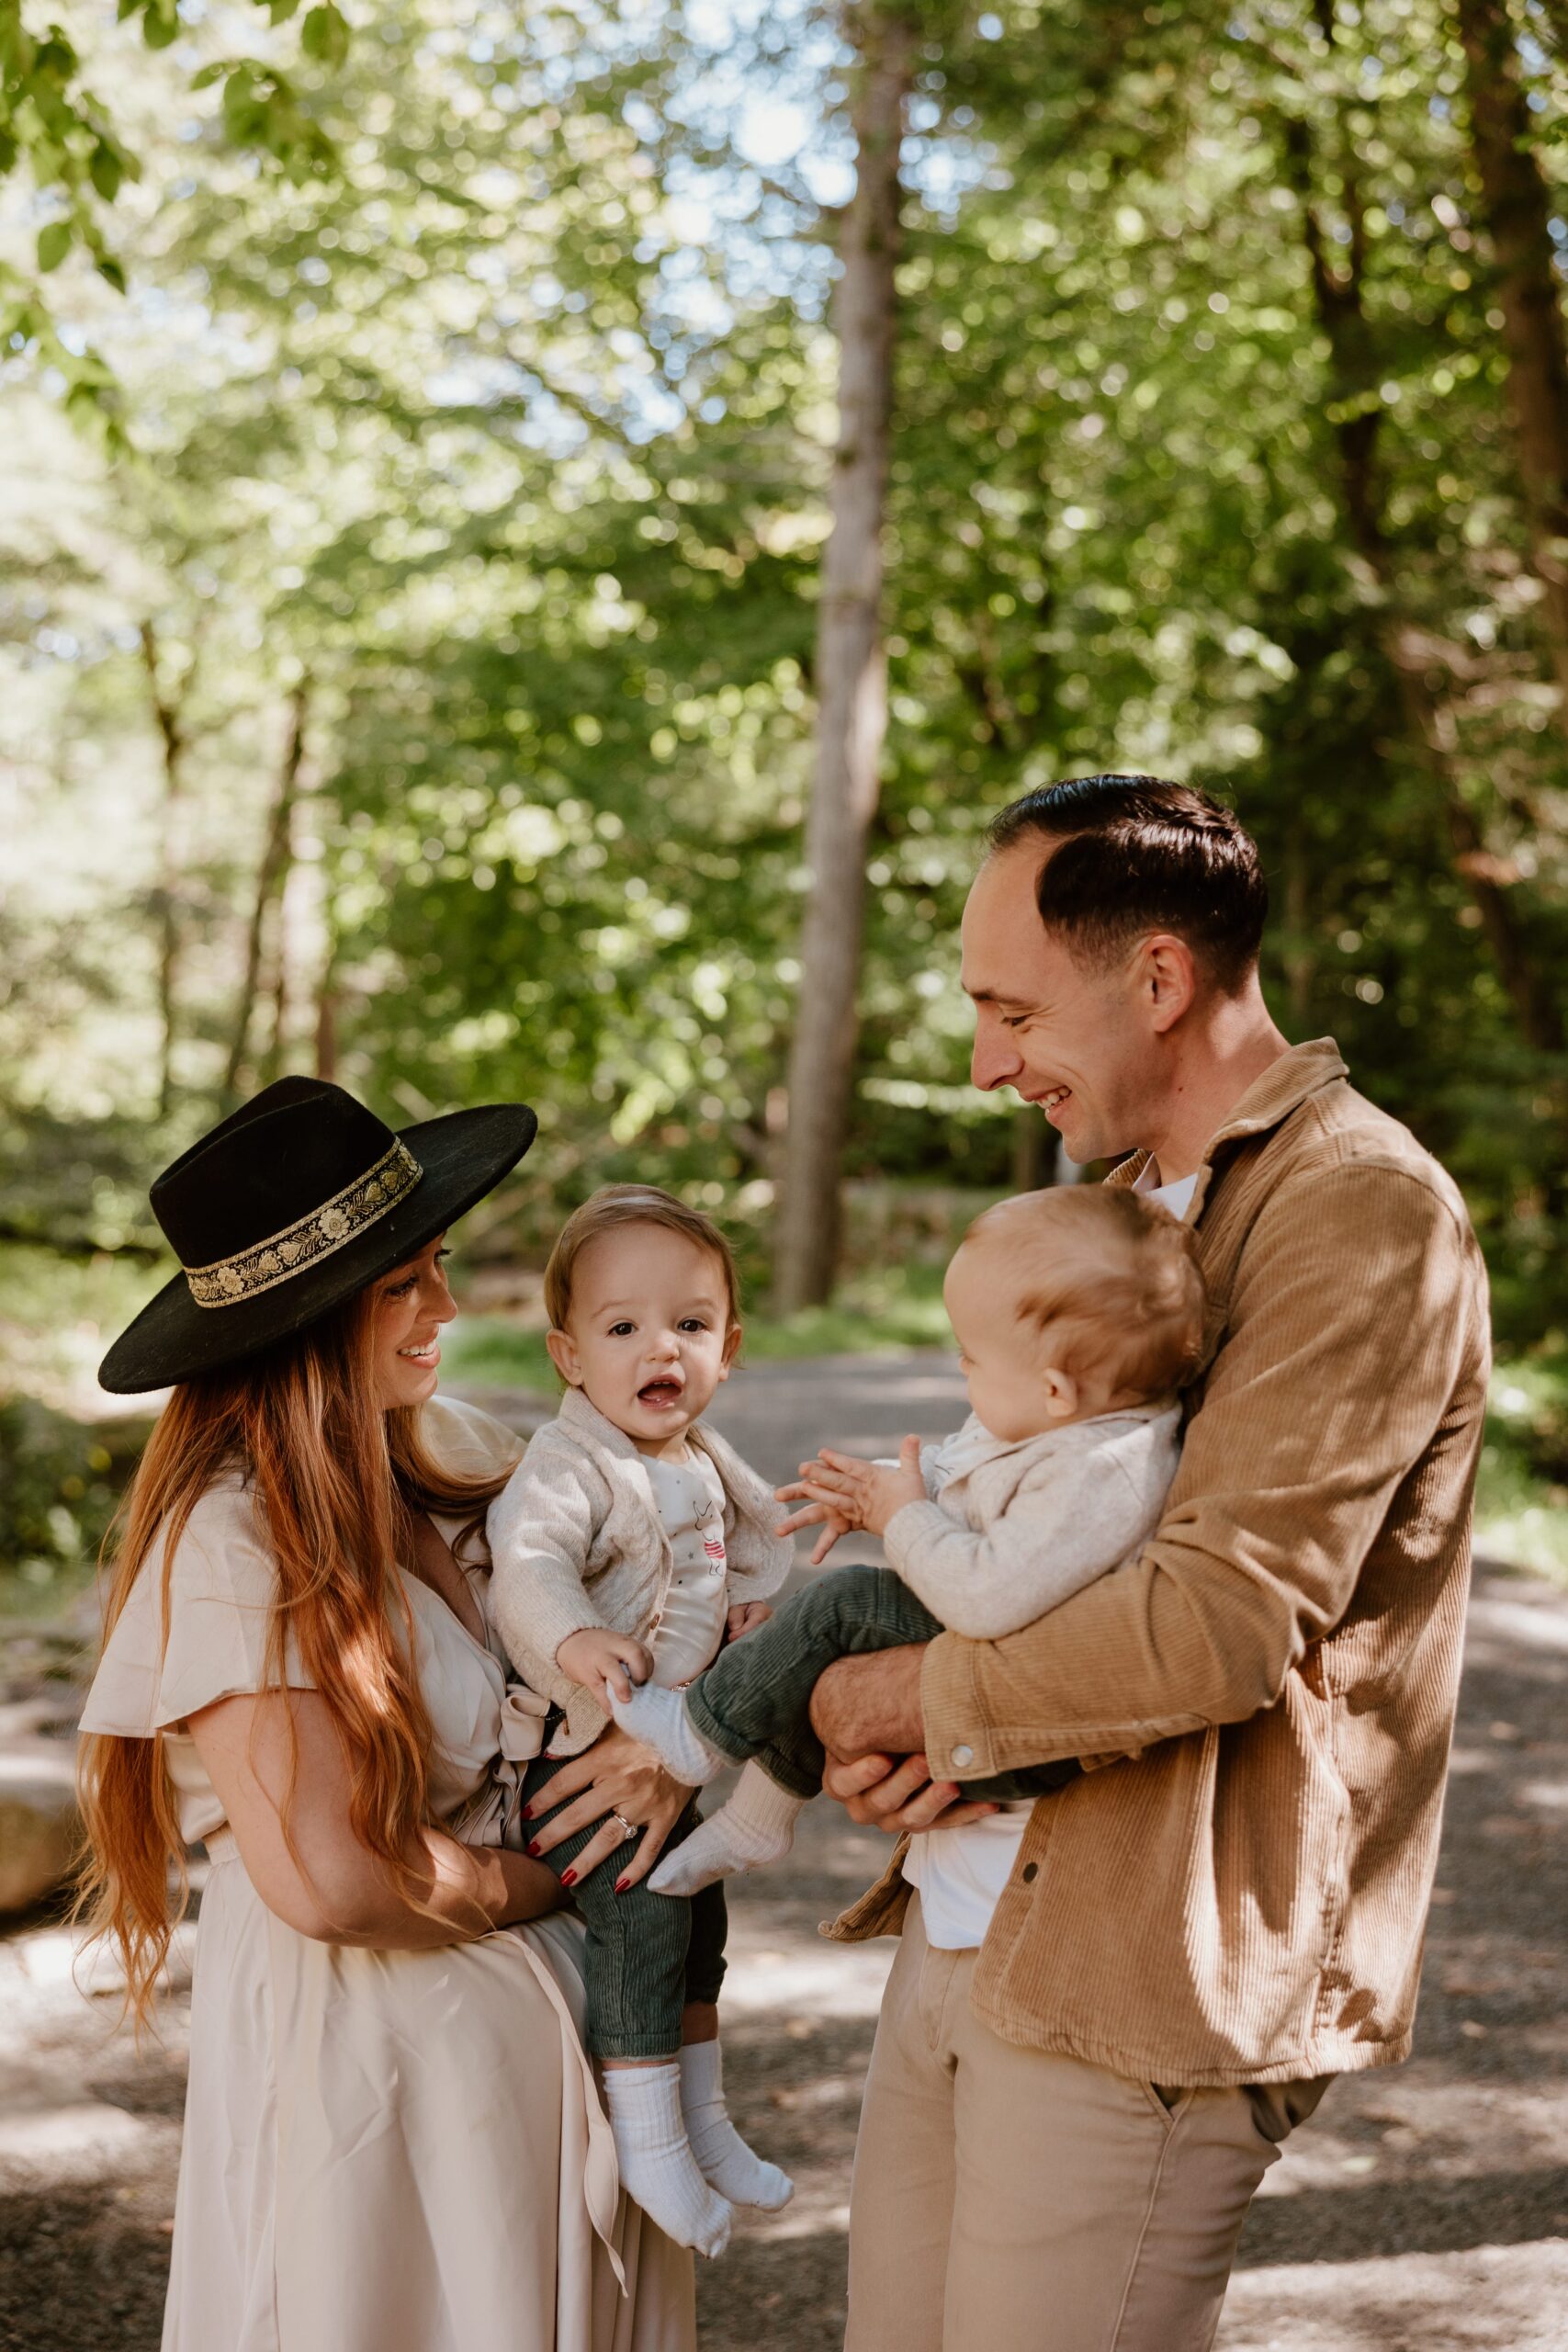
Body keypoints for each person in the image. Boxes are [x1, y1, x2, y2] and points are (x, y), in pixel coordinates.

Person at [807, 776, 1491, 2352]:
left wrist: (908, 1696)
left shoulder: (1356, 1215)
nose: (985, 1062)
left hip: (1144, 1976)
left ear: (1159, 979)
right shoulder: (1119, 1213)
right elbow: (1031, 1548)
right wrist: (912, 1753)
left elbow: (1213, 1623)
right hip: (977, 1919)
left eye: (1007, 1008)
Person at [77, 1078, 698, 2352]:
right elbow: (333, 1884)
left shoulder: (458, 1449)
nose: (448, 1310)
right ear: (306, 1321)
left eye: (439, 1266)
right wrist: (552, 1879)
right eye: (401, 1287)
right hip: (371, 2068)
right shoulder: (231, 1544)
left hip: (540, 2044)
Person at [613, 1184, 1201, 1902]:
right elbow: (962, 1470)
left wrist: (901, 1519)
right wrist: (877, 1489)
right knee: (830, 1637)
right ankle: (759, 1818)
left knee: (843, 1607)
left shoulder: (1106, 1472)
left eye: (970, 1359)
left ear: (1054, 1389)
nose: (960, 1370)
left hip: (1028, 1729)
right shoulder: (1065, 1416)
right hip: (996, 1663)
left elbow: (987, 1599)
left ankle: (695, 1736)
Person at [487, 1184, 795, 2257]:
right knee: (645, 1918)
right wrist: (574, 1640)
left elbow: (754, 1531)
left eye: (692, 1325)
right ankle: (649, 2136)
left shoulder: (699, 1454)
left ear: (729, 1346)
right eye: (623, 1328)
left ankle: (705, 2120)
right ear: (569, 1356)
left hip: (669, 1749)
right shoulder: (571, 1465)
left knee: (701, 1924)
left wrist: (753, 1599)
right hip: (583, 1757)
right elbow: (526, 1569)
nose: (661, 1348)